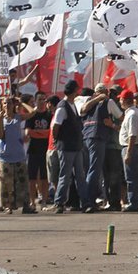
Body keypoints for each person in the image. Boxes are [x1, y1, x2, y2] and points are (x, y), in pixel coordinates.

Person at [79, 84, 121, 214]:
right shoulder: (108, 102)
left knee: (88, 171)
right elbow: (120, 116)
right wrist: (113, 125)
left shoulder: (88, 102)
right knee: (94, 171)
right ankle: (89, 202)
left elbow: (83, 110)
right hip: (98, 137)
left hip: (86, 138)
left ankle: (87, 200)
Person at [0, 97, 35, 214]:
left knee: (22, 181)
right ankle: (8, 205)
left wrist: (21, 102)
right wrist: (1, 119)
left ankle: (25, 205)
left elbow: (32, 112)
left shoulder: (18, 117)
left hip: (18, 154)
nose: (7, 105)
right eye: (5, 103)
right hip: (5, 155)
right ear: (2, 105)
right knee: (6, 182)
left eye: (9, 103)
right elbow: (0, 135)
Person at [50, 80, 86, 213]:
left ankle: (85, 202)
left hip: (76, 146)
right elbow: (56, 126)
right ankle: (59, 202)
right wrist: (57, 140)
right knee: (65, 175)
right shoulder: (62, 107)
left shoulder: (72, 105)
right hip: (66, 147)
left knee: (80, 176)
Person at [24, 92, 51, 208]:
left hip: (45, 149)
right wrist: (41, 133)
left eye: (44, 99)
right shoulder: (32, 115)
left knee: (45, 177)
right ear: (35, 100)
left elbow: (49, 133)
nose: (42, 101)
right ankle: (32, 201)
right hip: (33, 149)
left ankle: (44, 200)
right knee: (32, 177)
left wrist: (37, 133)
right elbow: (28, 132)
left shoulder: (49, 115)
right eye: (40, 99)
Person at [118, 90, 138, 212]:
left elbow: (132, 135)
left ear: (125, 100)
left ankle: (133, 202)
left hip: (130, 147)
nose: (119, 102)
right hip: (131, 147)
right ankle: (134, 201)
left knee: (131, 177)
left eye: (121, 99)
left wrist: (128, 152)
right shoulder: (131, 113)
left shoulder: (132, 114)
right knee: (131, 176)